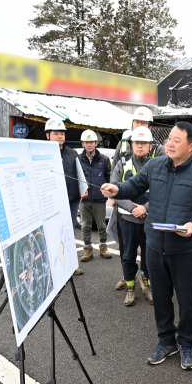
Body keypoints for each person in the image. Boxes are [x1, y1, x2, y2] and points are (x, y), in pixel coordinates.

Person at [100, 122, 192, 371]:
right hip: (155, 246)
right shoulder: (155, 165)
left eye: (177, 140)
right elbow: (134, 186)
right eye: (169, 139)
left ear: (191, 146)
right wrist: (117, 188)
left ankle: (186, 342)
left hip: (185, 250)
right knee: (162, 298)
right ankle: (166, 341)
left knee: (187, 300)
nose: (170, 143)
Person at [110, 126, 154, 306]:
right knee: (127, 255)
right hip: (127, 220)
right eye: (137, 142)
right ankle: (130, 287)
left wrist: (145, 208)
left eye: (144, 143)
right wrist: (132, 209)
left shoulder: (158, 165)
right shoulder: (122, 163)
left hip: (149, 219)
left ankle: (148, 284)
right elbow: (114, 188)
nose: (140, 146)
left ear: (150, 146)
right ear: (131, 144)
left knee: (150, 256)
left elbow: (164, 191)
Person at [45, 118, 83, 275]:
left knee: (69, 232)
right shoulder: (42, 152)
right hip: (51, 202)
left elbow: (80, 173)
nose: (60, 136)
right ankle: (51, 267)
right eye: (56, 133)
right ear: (47, 135)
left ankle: (70, 265)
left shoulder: (72, 153)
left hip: (72, 200)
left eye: (62, 133)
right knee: (51, 232)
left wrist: (83, 188)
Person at [78, 129, 113, 262]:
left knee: (101, 224)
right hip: (84, 198)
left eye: (91, 142)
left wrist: (107, 191)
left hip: (99, 198)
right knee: (85, 225)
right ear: (82, 144)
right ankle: (87, 249)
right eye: (86, 142)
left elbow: (108, 177)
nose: (89, 145)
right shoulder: (78, 160)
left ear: (96, 143)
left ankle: (103, 247)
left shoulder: (104, 159)